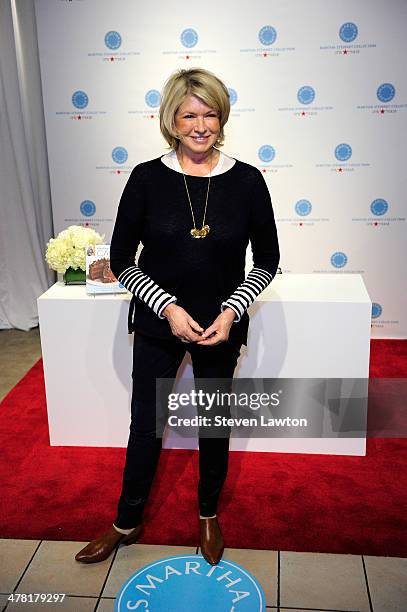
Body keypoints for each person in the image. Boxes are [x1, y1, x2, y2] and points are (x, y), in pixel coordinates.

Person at [75, 67, 280, 566]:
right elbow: (122, 260)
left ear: (222, 117)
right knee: (145, 425)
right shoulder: (146, 178)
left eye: (210, 113)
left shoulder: (248, 180)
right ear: (171, 119)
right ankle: (126, 521)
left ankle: (208, 514)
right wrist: (165, 306)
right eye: (189, 114)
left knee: (213, 425)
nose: (201, 125)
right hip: (157, 323)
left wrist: (233, 310)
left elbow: (268, 260)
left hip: (219, 328)